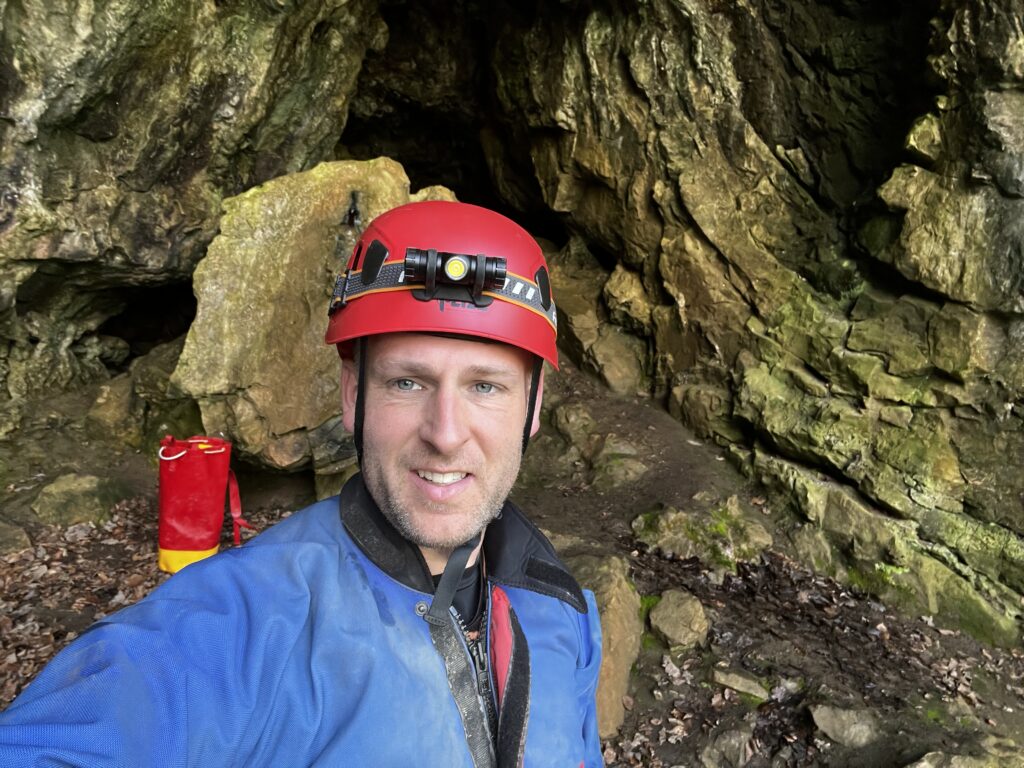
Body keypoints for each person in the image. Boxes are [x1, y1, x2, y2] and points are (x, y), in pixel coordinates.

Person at [0, 200, 603, 767]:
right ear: (352, 394)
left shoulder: (563, 610)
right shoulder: (246, 621)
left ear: (533, 407)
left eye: (485, 386)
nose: (445, 434)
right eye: (407, 383)